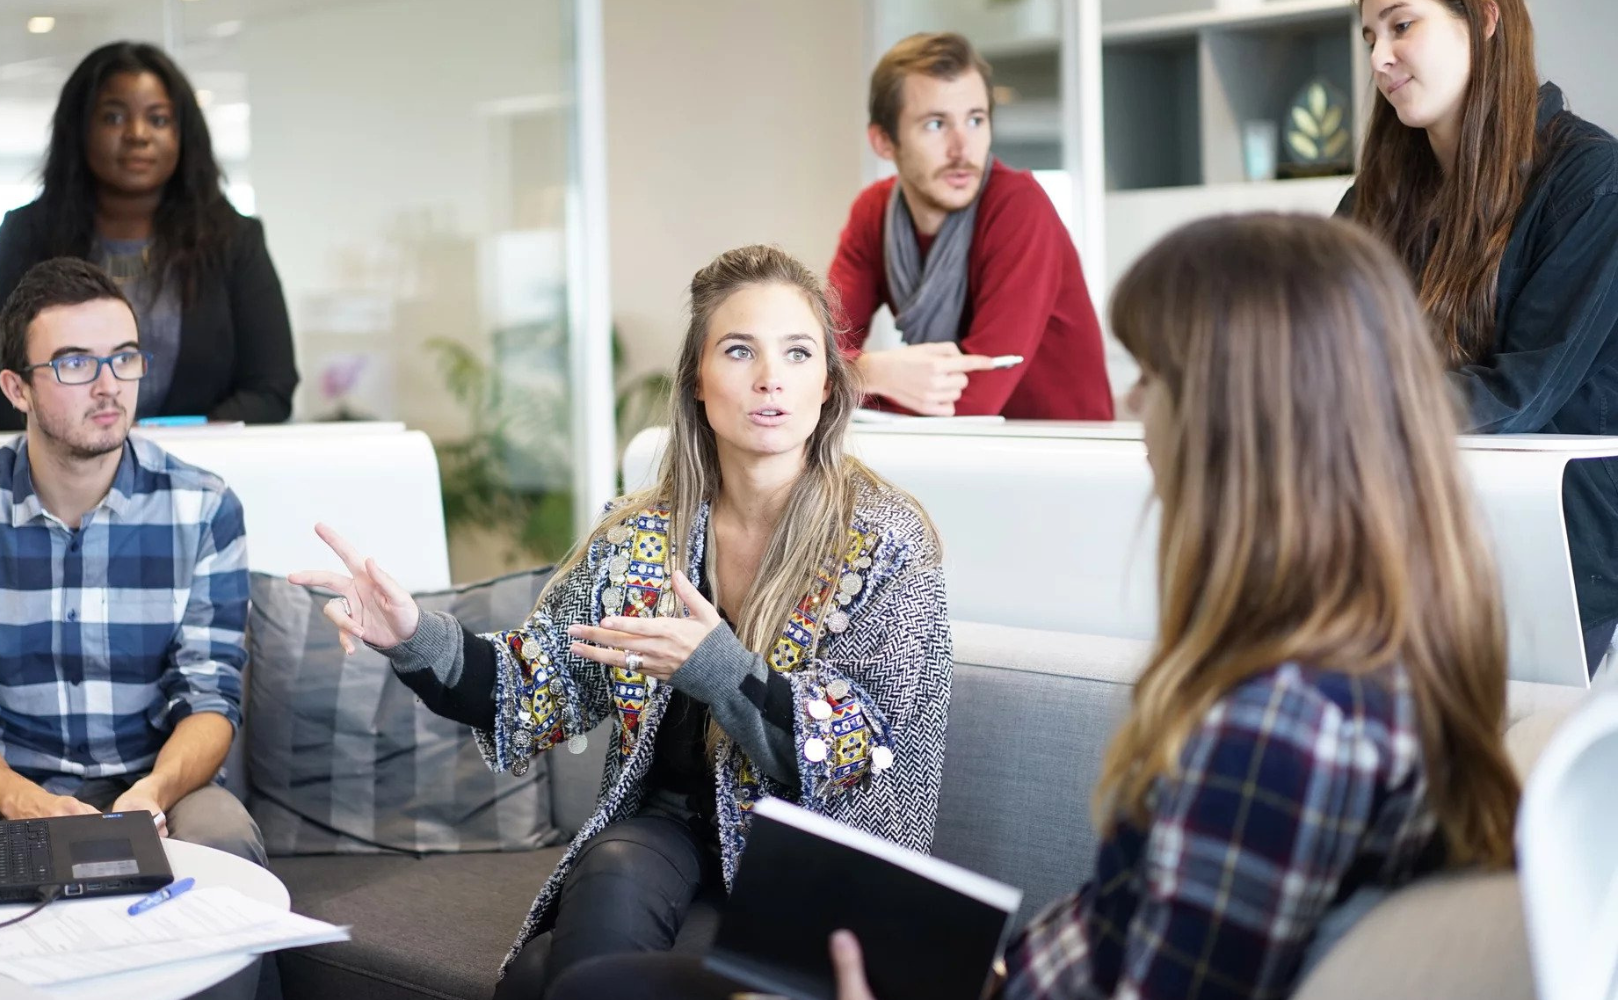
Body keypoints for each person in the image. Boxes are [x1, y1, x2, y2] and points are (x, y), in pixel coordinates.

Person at [548, 215, 1524, 1000]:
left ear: (1244, 423)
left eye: (1155, 378)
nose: (1134, 408)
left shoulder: (1279, 730)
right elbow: (1128, 936)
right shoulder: (1361, 669)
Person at [293, 245, 952, 999]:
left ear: (827, 383)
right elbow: (535, 684)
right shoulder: (641, 533)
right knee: (608, 874)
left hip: (813, 852)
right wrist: (414, 636)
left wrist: (718, 669)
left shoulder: (887, 540)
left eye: (798, 353)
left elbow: (864, 750)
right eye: (740, 350)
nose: (771, 377)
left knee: (540, 977)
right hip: (667, 828)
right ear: (697, 379)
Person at [0, 257, 263, 865]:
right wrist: (23, 801)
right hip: (3, 788)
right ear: (17, 388)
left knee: (224, 839)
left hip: (156, 783)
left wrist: (152, 794)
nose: (108, 385)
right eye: (74, 363)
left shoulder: (204, 509)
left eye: (124, 358)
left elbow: (210, 697)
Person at [1341, 0, 1618, 673]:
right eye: (1370, 36)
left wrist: (1338, 409)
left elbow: (1519, 394)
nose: (1379, 57)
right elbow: (1315, 351)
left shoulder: (1591, 180)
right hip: (1409, 547)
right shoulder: (1375, 198)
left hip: (1557, 561)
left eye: (1402, 25)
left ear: (1486, 18)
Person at [0, 41, 298, 431]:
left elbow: (271, 389)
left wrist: (168, 442)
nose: (138, 135)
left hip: (199, 462)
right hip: (61, 465)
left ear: (183, 134)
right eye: (114, 117)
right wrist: (86, 441)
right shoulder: (26, 236)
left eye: (158, 119)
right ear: (79, 129)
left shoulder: (234, 240)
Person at [828, 32, 1111, 420]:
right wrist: (872, 372)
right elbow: (812, 354)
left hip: (1061, 447)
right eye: (935, 124)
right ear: (883, 142)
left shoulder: (1018, 206)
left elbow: (974, 399)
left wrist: (847, 379)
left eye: (976, 120)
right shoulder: (873, 213)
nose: (962, 149)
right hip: (955, 445)